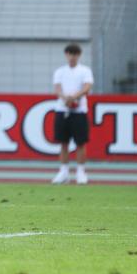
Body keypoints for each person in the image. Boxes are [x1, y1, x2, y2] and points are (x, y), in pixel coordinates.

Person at [51, 44, 94, 185]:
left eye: (75, 54)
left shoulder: (85, 70)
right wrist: (65, 99)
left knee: (80, 142)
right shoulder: (60, 71)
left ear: (79, 55)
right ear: (66, 55)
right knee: (63, 142)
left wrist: (74, 97)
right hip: (63, 110)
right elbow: (57, 88)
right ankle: (63, 172)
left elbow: (87, 87)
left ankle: (81, 172)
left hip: (79, 110)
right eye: (69, 53)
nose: (72, 56)